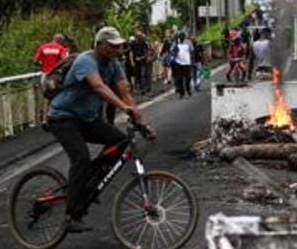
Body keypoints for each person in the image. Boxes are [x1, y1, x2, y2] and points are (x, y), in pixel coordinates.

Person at [45, 26, 156, 231]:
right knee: (81, 159)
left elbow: (125, 92)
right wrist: (124, 108)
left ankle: (88, 184)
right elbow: (99, 87)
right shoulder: (85, 61)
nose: (117, 49)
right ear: (99, 45)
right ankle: (71, 215)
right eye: (112, 45)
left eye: (119, 45)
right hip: (63, 117)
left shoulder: (114, 65)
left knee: (121, 141)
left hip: (87, 118)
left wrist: (142, 122)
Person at [170, 32, 195, 98]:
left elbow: (192, 51)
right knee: (179, 78)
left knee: (188, 78)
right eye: (180, 37)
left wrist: (192, 61)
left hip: (187, 63)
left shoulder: (188, 42)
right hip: (178, 63)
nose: (181, 38)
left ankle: (188, 90)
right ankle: (182, 93)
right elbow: (171, 51)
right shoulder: (176, 43)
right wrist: (174, 52)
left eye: (182, 37)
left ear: (184, 37)